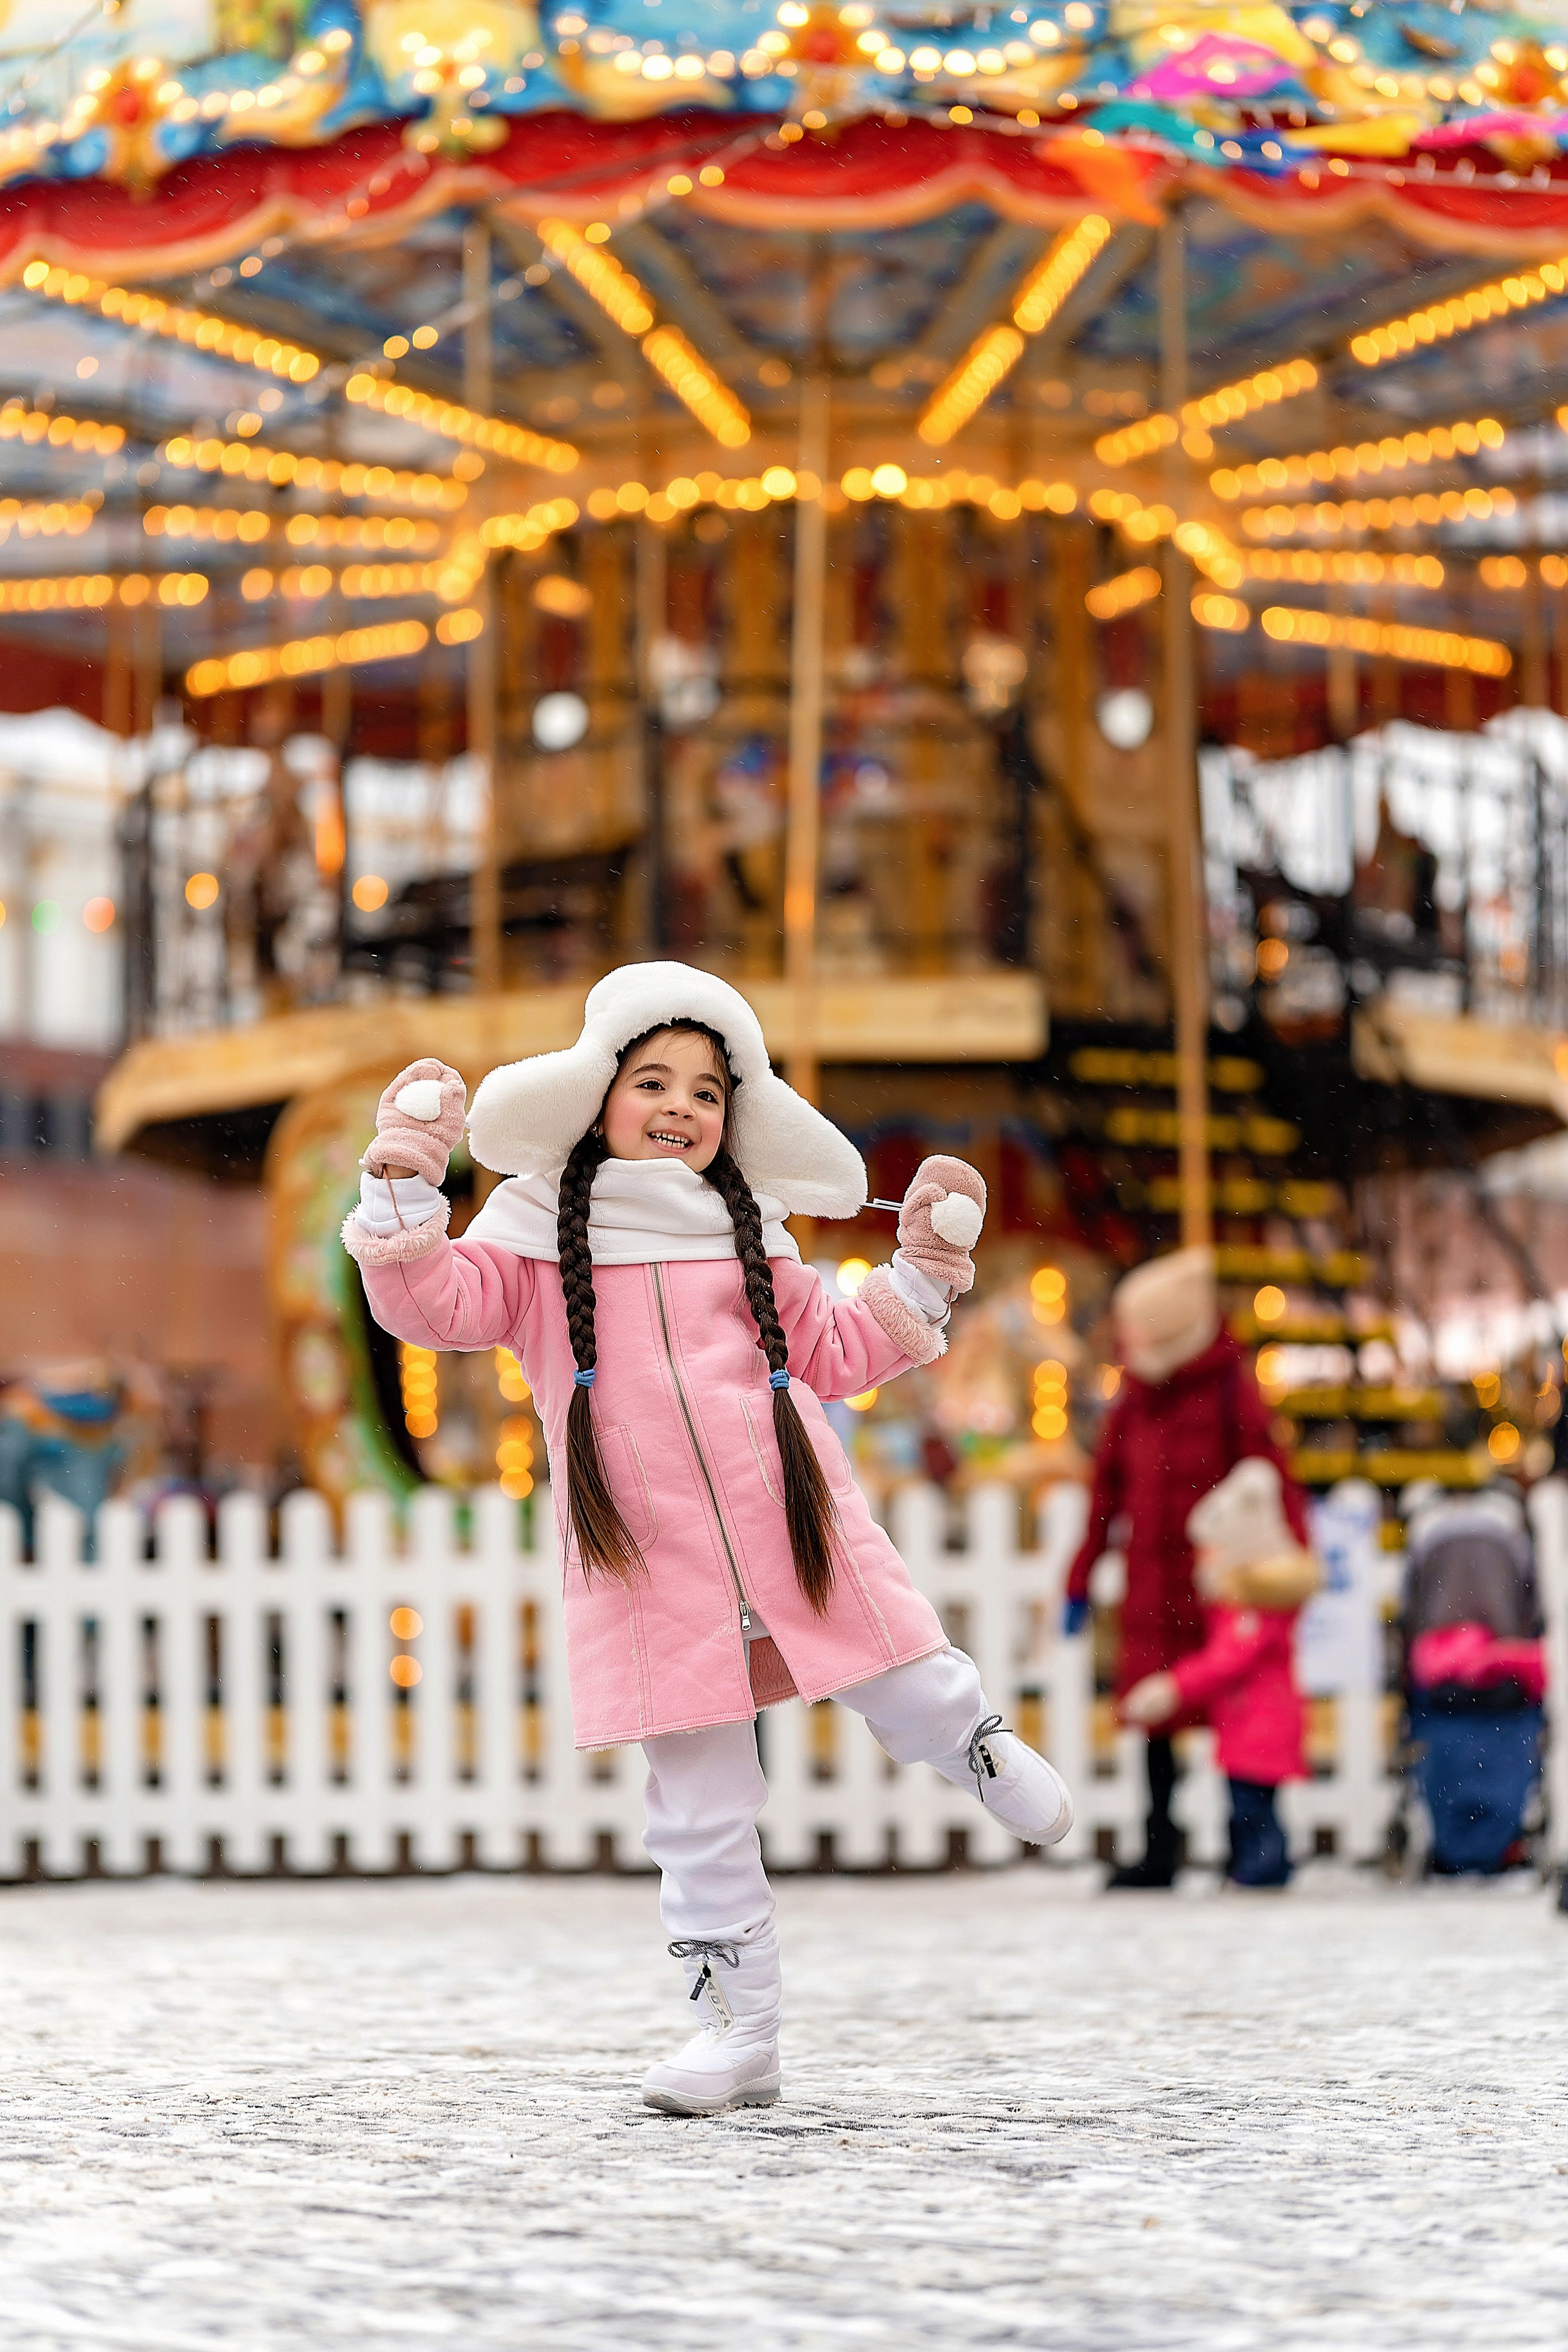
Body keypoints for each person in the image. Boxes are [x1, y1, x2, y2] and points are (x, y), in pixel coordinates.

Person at [342, 962, 1072, 2115]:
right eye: (652, 1082)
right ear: (598, 1099)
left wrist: (923, 1274)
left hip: (786, 1507)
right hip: (640, 1549)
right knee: (697, 1796)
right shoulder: (536, 1238)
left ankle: (967, 1740)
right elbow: (433, 1307)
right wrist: (403, 1194)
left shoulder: (752, 1239)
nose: (680, 1107)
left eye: (706, 1092)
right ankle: (736, 2029)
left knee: (894, 1666)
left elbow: (836, 1350)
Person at [1063, 1248, 1308, 1887]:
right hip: (1151, 1582)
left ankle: (1253, 1840)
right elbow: (1104, 1493)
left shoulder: (1231, 1390)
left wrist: (1289, 1564)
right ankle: (1158, 1842)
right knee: (1153, 1715)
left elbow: (1270, 1476)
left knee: (1240, 1708)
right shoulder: (1134, 1399)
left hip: (1220, 1582)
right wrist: (1080, 1575)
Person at [1122, 1457, 1320, 1888]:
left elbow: (1227, 1661)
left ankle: (1262, 1868)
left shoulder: (1252, 1610)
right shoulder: (1251, 1606)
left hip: (1258, 1725)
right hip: (1251, 1724)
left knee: (1252, 1806)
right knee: (1250, 1804)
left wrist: (1175, 1687)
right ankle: (1256, 1865)